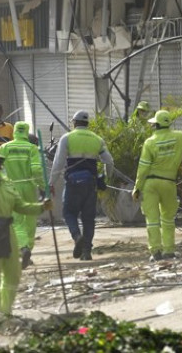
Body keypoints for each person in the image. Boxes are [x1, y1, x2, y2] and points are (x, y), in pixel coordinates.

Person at [0, 148, 52, 327]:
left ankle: (6, 313)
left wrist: (41, 207)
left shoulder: (7, 183)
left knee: (13, 274)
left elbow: (21, 206)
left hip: (7, 230)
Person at [132, 110, 182, 261]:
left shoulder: (150, 142)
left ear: (156, 125)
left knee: (152, 220)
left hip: (150, 184)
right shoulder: (180, 137)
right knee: (168, 219)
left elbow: (143, 168)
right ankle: (169, 250)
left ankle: (155, 252)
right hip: (169, 183)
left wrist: (137, 188)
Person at [49, 110, 114, 262]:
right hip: (91, 184)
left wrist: (51, 182)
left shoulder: (67, 138)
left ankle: (77, 236)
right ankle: (86, 252)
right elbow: (109, 161)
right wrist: (107, 177)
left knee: (69, 213)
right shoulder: (97, 139)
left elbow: (58, 163)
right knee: (88, 218)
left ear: (74, 122)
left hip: (73, 183)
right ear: (87, 123)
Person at [0, 122, 44, 269]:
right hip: (29, 186)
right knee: (30, 220)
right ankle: (28, 249)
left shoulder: (4, 148)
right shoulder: (32, 148)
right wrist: (43, 186)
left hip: (11, 187)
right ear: (26, 132)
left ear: (14, 131)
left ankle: (23, 248)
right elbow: (36, 170)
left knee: (16, 221)